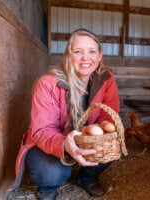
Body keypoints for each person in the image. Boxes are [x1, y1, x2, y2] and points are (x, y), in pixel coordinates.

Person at [9, 29, 120, 200]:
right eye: (78, 52)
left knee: (112, 143)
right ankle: (48, 187)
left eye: (91, 51)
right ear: (69, 55)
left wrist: (101, 130)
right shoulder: (49, 83)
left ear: (99, 56)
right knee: (50, 173)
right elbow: (42, 130)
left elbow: (108, 115)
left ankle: (86, 178)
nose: (85, 58)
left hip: (85, 137)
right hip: (53, 140)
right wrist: (64, 145)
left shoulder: (106, 79)